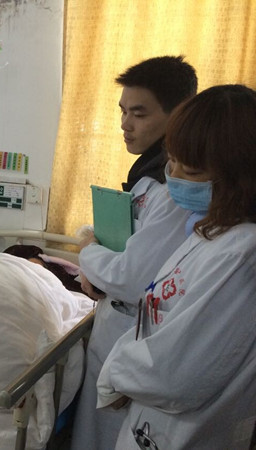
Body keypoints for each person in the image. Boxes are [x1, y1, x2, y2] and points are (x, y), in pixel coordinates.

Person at [96, 84, 256, 449]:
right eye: (173, 162)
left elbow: (175, 374)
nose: (176, 178)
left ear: (242, 177)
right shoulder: (209, 232)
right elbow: (157, 319)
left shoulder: (240, 255)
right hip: (149, 419)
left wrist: (116, 373)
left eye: (193, 171)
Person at [71, 56, 198, 449]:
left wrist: (87, 249)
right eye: (123, 111)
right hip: (116, 326)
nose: (125, 124)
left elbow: (130, 278)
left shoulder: (172, 190)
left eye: (139, 114)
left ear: (179, 114)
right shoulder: (146, 175)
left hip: (134, 336)